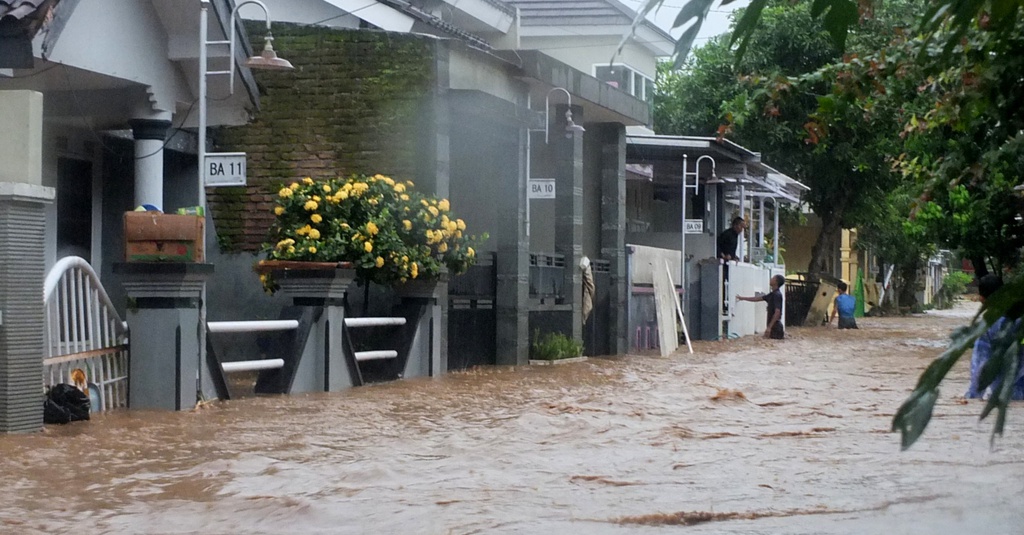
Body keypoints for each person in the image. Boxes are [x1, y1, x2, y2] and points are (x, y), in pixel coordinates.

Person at [966, 275, 1024, 400]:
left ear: (982, 299)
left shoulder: (989, 325)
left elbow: (980, 368)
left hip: (1005, 396)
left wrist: (971, 399)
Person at [737, 274, 785, 339]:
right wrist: (742, 298)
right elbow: (756, 299)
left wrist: (769, 327)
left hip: (775, 328)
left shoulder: (777, 295)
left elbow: (777, 313)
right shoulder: (772, 294)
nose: (771, 279)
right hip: (774, 327)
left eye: (773, 278)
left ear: (776, 282)